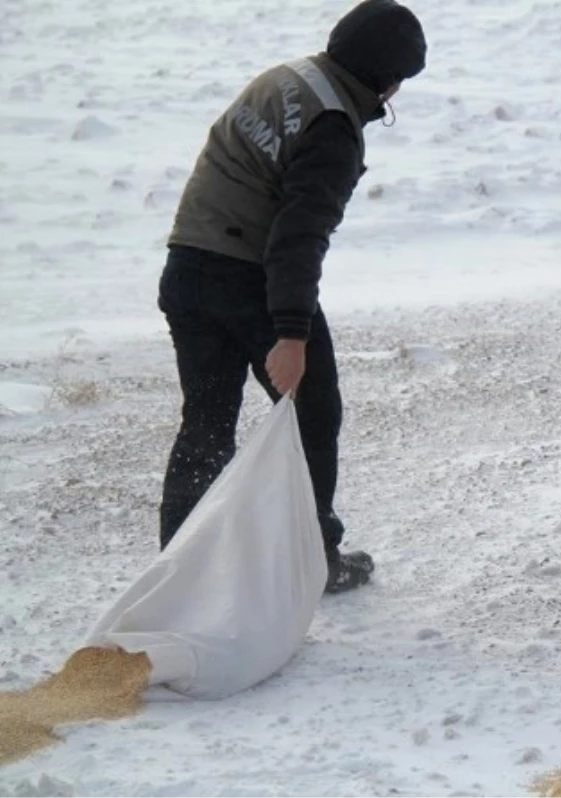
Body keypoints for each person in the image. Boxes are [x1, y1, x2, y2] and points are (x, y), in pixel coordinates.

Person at [156, 0, 426, 594]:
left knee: (205, 422)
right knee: (315, 410)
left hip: (186, 268)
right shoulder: (333, 127)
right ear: (384, 77)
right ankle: (311, 561)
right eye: (401, 77)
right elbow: (297, 240)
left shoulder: (286, 77)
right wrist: (292, 334)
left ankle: (176, 578)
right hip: (248, 278)